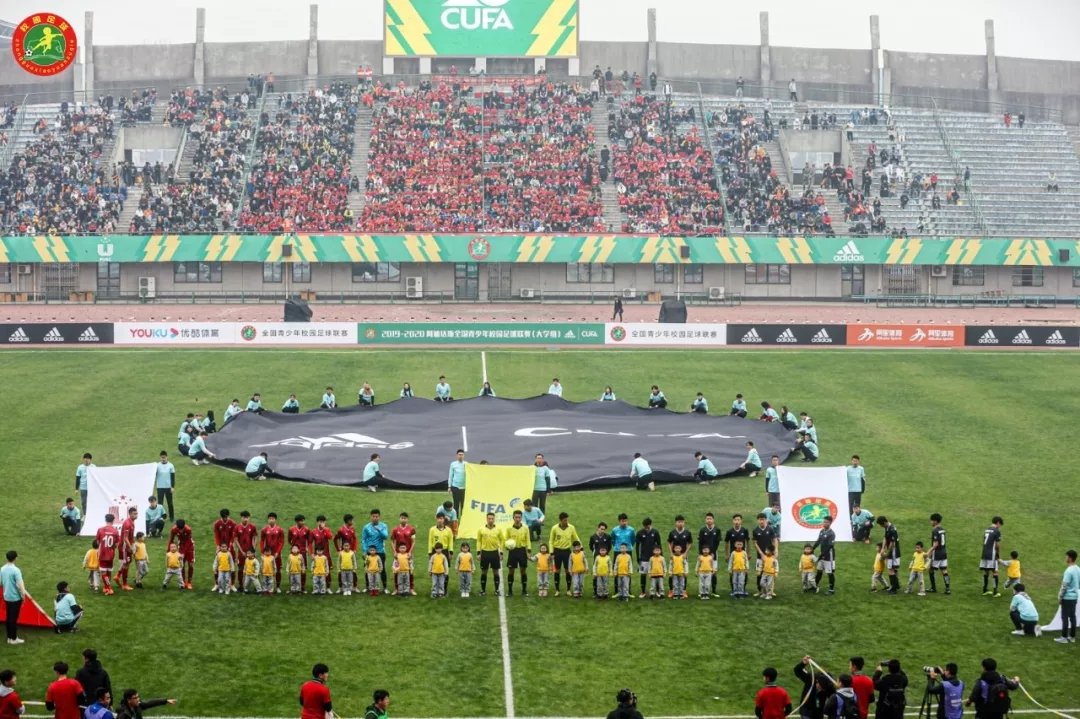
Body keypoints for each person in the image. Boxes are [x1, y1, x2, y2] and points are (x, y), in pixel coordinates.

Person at [549, 512, 580, 597]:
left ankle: (568, 590)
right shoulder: (554, 528)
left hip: (567, 551)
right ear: (560, 520)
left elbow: (576, 538)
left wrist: (581, 548)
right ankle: (557, 590)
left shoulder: (571, 527)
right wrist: (551, 552)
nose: (566, 522)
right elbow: (551, 541)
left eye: (567, 520)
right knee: (557, 571)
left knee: (568, 570)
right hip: (557, 551)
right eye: (565, 520)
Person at [361, 511, 389, 593]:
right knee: (368, 569)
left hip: (380, 551)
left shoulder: (383, 526)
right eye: (373, 516)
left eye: (376, 516)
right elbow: (363, 539)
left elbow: (385, 537)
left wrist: (379, 530)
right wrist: (364, 551)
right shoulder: (366, 527)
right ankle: (368, 587)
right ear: (371, 517)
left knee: (382, 569)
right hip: (369, 552)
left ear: (379, 517)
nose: (375, 518)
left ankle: (385, 588)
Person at [634, 518, 662, 598]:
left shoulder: (655, 532)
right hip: (644, 558)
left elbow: (659, 544)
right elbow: (637, 546)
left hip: (654, 557)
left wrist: (661, 556)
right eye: (645, 527)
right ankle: (643, 592)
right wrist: (638, 557)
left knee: (656, 574)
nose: (646, 528)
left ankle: (657, 591)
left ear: (650, 524)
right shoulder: (640, 533)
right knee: (643, 574)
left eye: (648, 527)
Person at [1057, 549, 1079, 644]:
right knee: (1073, 617)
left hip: (1067, 598)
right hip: (1075, 597)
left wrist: (1060, 597)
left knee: (1065, 617)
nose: (1065, 558)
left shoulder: (1068, 571)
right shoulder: (1078, 569)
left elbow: (1064, 586)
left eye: (1066, 556)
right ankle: (1072, 637)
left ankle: (1064, 637)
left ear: (1070, 558)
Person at [0, 551, 23, 645]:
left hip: (7, 597)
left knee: (9, 617)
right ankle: (13, 639)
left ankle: (9, 638)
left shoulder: (2, 569)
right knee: (13, 619)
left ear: (7, 558)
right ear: (15, 558)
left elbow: (0, 583)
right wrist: (23, 595)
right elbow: (20, 585)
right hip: (15, 598)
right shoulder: (16, 570)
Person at [927, 513, 951, 594]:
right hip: (943, 552)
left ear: (935, 521)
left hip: (937, 553)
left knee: (931, 569)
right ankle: (948, 588)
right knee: (944, 570)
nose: (930, 522)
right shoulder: (942, 530)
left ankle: (933, 588)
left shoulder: (935, 530)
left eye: (931, 520)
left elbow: (935, 544)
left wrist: (928, 552)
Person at [697, 513, 720, 595]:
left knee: (713, 572)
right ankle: (702, 591)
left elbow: (717, 543)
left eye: (710, 519)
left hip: (713, 555)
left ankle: (713, 591)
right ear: (705, 520)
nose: (709, 520)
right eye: (707, 519)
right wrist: (700, 554)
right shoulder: (702, 530)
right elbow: (700, 543)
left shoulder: (717, 530)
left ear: (713, 520)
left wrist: (713, 553)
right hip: (703, 555)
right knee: (702, 572)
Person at [168, 519, 195, 589]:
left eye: (182, 529)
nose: (180, 531)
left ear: (184, 526)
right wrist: (168, 550)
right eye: (179, 529)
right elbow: (171, 539)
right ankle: (183, 581)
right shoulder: (174, 529)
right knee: (181, 564)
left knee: (191, 564)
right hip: (181, 546)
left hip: (190, 547)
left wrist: (183, 553)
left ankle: (189, 582)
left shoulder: (188, 529)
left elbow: (188, 541)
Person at [877, 516, 901, 594]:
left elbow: (892, 543)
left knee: (890, 569)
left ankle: (893, 589)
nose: (881, 526)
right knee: (893, 569)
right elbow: (885, 537)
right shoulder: (887, 527)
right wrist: (883, 548)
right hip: (891, 551)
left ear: (884, 522)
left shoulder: (892, 529)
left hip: (893, 552)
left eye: (881, 525)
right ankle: (896, 585)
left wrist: (887, 553)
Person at [980, 517, 1003, 597]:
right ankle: (995, 592)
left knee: (986, 571)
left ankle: (984, 590)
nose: (999, 526)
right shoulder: (996, 531)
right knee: (995, 572)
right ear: (998, 522)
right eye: (1000, 525)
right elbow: (997, 545)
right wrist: (998, 555)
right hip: (992, 554)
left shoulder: (987, 530)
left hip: (984, 553)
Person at [154, 452, 175, 520]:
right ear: (160, 457)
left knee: (170, 503)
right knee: (160, 504)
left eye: (164, 457)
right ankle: (162, 517)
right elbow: (153, 474)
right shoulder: (157, 466)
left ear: (167, 457)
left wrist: (172, 487)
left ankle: (171, 517)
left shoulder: (171, 465)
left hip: (168, 487)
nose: (163, 459)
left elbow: (172, 477)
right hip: (160, 487)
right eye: (162, 457)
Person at [447, 449, 466, 515]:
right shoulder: (453, 464)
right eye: (459, 455)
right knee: (456, 504)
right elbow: (450, 475)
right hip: (455, 487)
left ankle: (463, 518)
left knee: (464, 504)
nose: (461, 456)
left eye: (462, 455)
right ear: (457, 455)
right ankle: (455, 518)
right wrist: (449, 486)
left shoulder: (466, 464)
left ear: (464, 456)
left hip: (464, 487)